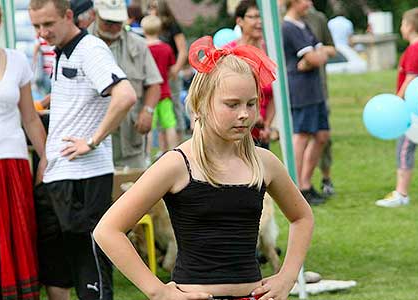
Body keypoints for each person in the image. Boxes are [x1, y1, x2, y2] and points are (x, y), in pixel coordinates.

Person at [93, 36, 314, 300]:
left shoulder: (264, 162)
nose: (244, 113)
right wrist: (158, 291)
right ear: (200, 104)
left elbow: (302, 217)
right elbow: (107, 230)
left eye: (251, 103)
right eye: (232, 104)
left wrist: (287, 277)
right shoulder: (176, 164)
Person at [28, 0, 137, 299]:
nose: (42, 33)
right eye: (36, 26)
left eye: (48, 24)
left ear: (68, 16)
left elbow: (126, 95)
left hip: (86, 177)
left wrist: (92, 140)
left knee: (90, 263)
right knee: (60, 266)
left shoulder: (90, 48)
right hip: (60, 175)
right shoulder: (62, 51)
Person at [0, 4, 47, 298]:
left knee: (19, 237)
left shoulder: (17, 60)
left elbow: (30, 117)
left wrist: (45, 158)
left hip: (14, 162)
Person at [91, 0, 162, 169]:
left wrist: (148, 110)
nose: (114, 27)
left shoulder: (138, 45)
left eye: (118, 22)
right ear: (96, 16)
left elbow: (154, 83)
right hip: (93, 144)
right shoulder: (82, 44)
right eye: (109, 22)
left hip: (130, 141)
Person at [376, 7, 418, 208]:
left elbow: (411, 78)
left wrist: (396, 102)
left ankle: (401, 193)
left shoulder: (414, 49)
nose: (401, 27)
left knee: (404, 149)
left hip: (411, 110)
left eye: (402, 23)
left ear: (408, 27)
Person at [282, 0, 333, 205]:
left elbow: (327, 52)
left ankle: (306, 183)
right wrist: (315, 57)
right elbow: (316, 57)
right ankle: (295, 189)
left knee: (322, 135)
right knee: (301, 136)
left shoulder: (305, 24)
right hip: (301, 91)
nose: (309, 3)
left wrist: (315, 56)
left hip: (315, 90)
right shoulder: (288, 27)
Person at [228, 0, 275, 149]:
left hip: (261, 133)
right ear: (239, 21)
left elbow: (273, 95)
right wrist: (253, 116)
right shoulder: (229, 52)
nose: (259, 22)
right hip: (236, 131)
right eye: (253, 17)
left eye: (261, 17)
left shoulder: (271, 52)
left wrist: (267, 125)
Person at [303, 2, 336, 197]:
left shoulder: (318, 18)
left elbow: (332, 47)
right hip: (297, 91)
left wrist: (319, 53)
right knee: (301, 138)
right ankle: (301, 184)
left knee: (323, 137)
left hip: (320, 89)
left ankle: (326, 177)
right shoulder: (283, 21)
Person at [149, 0, 188, 144]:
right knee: (160, 112)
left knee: (175, 108)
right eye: (149, 8)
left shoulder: (172, 27)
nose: (150, 11)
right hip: (156, 77)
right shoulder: (151, 28)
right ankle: (163, 148)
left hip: (170, 75)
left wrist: (175, 70)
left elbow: (183, 50)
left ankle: (179, 143)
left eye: (153, 7)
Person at [141, 15, 178, 152]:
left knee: (149, 127)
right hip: (165, 91)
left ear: (144, 30)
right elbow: (171, 69)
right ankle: (173, 152)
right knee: (170, 124)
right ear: (160, 30)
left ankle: (147, 155)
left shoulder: (142, 48)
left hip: (148, 94)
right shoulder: (166, 48)